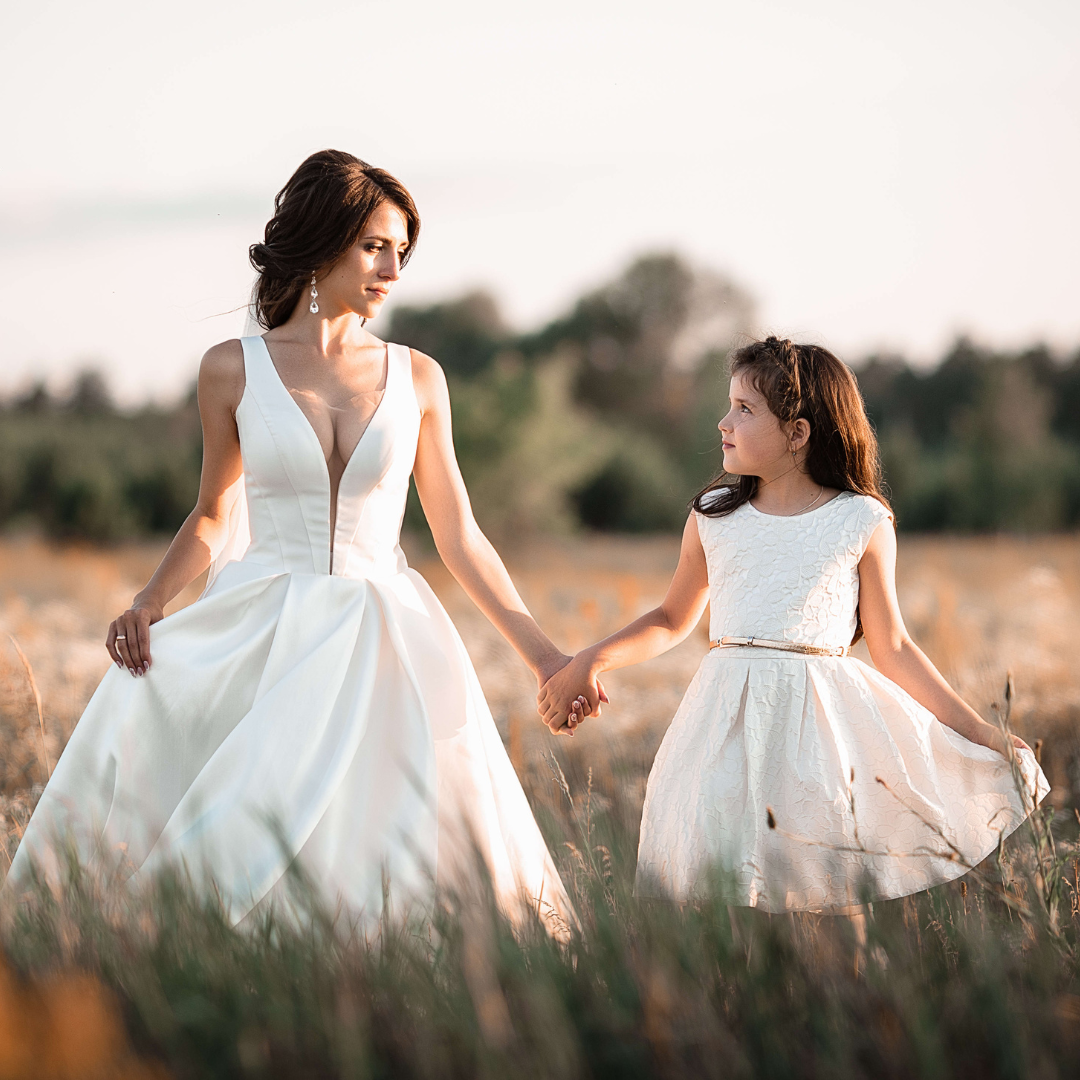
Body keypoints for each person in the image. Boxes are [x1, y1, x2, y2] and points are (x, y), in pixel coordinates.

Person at [5, 150, 573, 931]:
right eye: (376, 245)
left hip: (389, 637)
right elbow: (212, 513)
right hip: (266, 625)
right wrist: (149, 600)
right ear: (323, 241)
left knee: (398, 839)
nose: (392, 269)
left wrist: (546, 656)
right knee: (227, 806)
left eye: (401, 251)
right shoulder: (229, 371)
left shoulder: (421, 377)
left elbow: (460, 534)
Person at [537, 336, 1049, 917]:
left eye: (744, 409)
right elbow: (671, 618)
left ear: (798, 433)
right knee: (720, 893)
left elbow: (895, 646)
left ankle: (837, 1001)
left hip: (821, 735)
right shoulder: (714, 515)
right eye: (729, 404)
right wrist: (589, 661)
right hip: (721, 726)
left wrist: (980, 731)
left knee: (829, 892)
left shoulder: (861, 519)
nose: (723, 421)